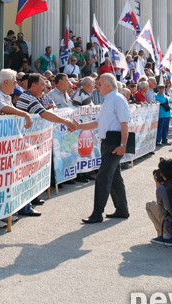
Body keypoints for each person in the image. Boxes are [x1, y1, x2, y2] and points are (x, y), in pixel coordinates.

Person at [15, 73, 77, 215]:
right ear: (33, 86)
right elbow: (44, 114)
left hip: (32, 141)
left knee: (34, 169)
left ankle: (33, 197)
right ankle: (25, 206)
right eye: (42, 84)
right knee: (26, 172)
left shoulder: (35, 97)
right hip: (25, 142)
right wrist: (65, 121)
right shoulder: (28, 97)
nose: (44, 87)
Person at [81, 73, 131, 224]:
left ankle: (97, 214)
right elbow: (96, 123)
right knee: (115, 178)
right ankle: (122, 210)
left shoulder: (117, 99)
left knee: (103, 178)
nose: (97, 86)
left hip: (114, 143)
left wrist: (123, 145)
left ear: (109, 85)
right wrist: (78, 126)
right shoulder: (108, 100)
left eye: (99, 84)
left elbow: (125, 124)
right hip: (107, 142)